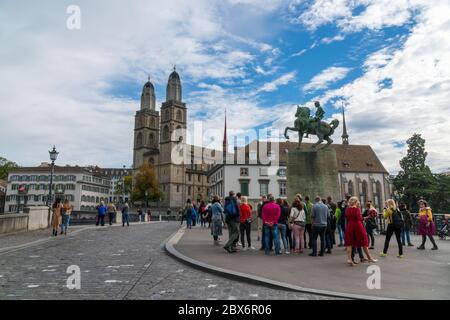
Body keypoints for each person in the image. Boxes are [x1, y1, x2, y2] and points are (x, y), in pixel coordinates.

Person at [344, 197, 378, 266]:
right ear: (356, 202)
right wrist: (367, 217)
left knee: (349, 243)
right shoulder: (357, 209)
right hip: (357, 226)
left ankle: (349, 259)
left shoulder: (347, 209)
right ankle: (370, 258)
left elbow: (347, 217)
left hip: (350, 225)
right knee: (364, 242)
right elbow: (360, 218)